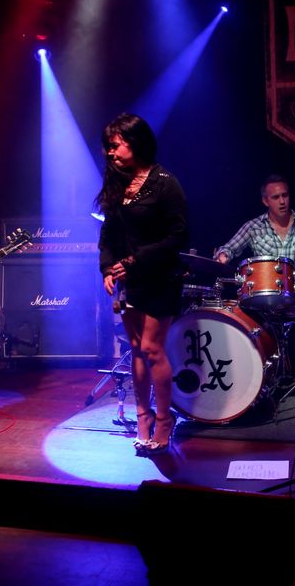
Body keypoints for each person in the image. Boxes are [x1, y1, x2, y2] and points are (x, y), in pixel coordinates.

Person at [96, 113, 188, 455]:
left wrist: (136, 260)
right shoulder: (118, 184)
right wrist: (107, 268)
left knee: (151, 349)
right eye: (108, 147)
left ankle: (164, 419)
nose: (111, 152)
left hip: (160, 276)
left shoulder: (165, 183)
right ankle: (142, 416)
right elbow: (108, 233)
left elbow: (178, 236)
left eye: (116, 145)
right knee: (136, 349)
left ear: (136, 142)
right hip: (128, 279)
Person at [214, 175, 295, 274]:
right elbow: (229, 249)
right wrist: (223, 255)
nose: (282, 201)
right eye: (276, 197)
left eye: (285, 195)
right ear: (265, 201)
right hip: (266, 286)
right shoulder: (253, 227)